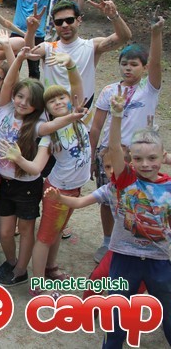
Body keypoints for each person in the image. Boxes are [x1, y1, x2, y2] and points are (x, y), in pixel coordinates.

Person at [45, 92, 171, 348]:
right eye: (138, 159)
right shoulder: (125, 181)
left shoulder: (169, 186)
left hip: (160, 261)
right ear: (130, 162)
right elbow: (114, 148)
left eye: (152, 158)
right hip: (124, 258)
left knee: (167, 312)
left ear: (163, 157)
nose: (145, 164)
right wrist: (116, 115)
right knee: (116, 313)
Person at [0, 51, 88, 293]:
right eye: (20, 96)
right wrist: (18, 57)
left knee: (42, 231)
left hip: (47, 186)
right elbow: (10, 82)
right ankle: (24, 272)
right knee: (23, 234)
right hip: (24, 185)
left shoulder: (60, 123)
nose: (22, 102)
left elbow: (72, 96)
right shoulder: (13, 113)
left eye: (63, 98)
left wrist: (70, 65)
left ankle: (36, 269)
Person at [89, 15, 163, 263]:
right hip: (109, 154)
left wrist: (155, 34)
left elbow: (156, 63)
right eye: (124, 63)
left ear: (143, 68)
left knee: (138, 199)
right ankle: (108, 241)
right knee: (109, 199)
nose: (128, 68)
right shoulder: (109, 90)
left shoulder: (149, 88)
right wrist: (92, 156)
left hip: (138, 156)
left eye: (134, 64)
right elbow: (96, 126)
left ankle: (139, 240)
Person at [31, 0, 132, 107]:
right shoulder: (47, 47)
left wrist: (114, 16)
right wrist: (31, 31)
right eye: (59, 22)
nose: (64, 25)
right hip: (52, 115)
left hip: (82, 116)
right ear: (54, 24)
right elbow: (30, 54)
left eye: (69, 20)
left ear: (79, 20)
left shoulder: (92, 46)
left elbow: (123, 37)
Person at [9, 0, 58, 79]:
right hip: (18, 32)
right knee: (13, 65)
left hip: (37, 35)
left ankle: (33, 94)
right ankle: (11, 89)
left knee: (34, 69)